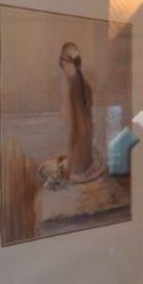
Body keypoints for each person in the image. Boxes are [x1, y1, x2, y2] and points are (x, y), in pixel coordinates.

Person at [59, 42, 96, 181]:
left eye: (64, 63)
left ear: (66, 63)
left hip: (78, 169)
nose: (63, 68)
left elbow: (74, 131)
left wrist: (68, 170)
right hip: (88, 162)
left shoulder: (69, 86)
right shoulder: (86, 85)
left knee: (46, 168)